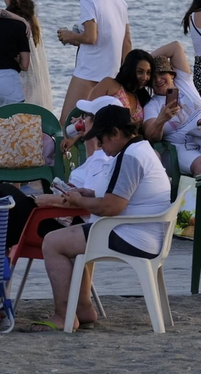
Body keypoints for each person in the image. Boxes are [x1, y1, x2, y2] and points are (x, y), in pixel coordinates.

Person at [23, 105, 170, 332]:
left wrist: (78, 201)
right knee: (74, 236)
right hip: (144, 232)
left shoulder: (131, 157)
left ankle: (64, 316)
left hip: (132, 235)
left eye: (101, 139)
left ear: (115, 133)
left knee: (53, 242)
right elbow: (121, 194)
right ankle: (82, 309)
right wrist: (88, 194)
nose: (100, 146)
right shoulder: (141, 149)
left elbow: (111, 207)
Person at [57, 0, 130, 124]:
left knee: (67, 123)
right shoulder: (120, 1)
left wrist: (70, 35)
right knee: (97, 126)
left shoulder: (88, 0)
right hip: (111, 75)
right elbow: (126, 42)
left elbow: (91, 37)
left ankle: (65, 151)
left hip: (89, 73)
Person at [141, 42, 201, 176]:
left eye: (162, 73)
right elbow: (151, 135)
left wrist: (144, 61)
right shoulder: (152, 105)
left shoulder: (184, 82)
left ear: (172, 75)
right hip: (185, 148)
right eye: (153, 77)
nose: (158, 80)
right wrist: (161, 120)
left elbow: (175, 47)